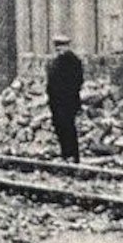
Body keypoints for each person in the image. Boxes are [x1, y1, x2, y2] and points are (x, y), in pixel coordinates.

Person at [45, 34, 84, 163]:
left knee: (68, 126)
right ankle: (65, 154)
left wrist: (69, 94)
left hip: (67, 100)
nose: (59, 50)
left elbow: (77, 81)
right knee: (60, 127)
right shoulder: (55, 61)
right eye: (57, 47)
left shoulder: (73, 61)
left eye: (61, 47)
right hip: (56, 101)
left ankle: (72, 154)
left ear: (67, 46)